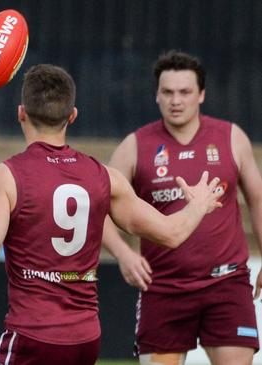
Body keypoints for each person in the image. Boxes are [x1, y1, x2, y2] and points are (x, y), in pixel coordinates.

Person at [0, 64, 224, 365]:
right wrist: (197, 205)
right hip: (85, 340)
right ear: (72, 116)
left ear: (21, 112)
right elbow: (171, 233)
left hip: (33, 335)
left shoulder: (5, 177)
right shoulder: (104, 176)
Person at [102, 51, 262, 365]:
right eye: (168, 92)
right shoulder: (135, 146)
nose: (176, 100)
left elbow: (258, 199)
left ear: (201, 95)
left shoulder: (231, 138)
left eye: (185, 92)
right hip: (163, 286)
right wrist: (123, 254)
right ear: (156, 96)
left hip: (226, 283)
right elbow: (98, 206)